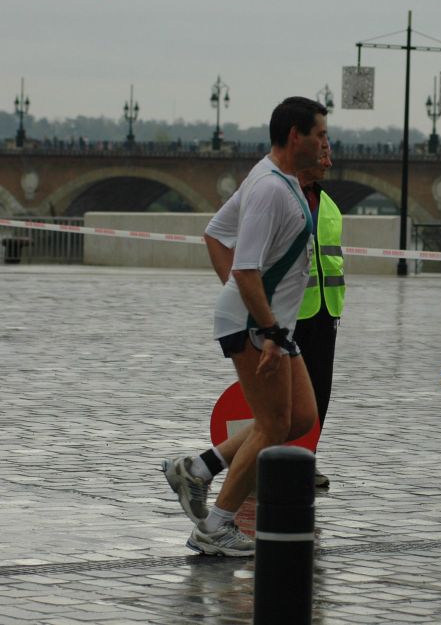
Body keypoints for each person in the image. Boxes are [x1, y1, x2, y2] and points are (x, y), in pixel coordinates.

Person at [162, 96, 328, 556]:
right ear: (296, 136)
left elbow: (215, 233)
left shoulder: (278, 180)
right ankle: (215, 526)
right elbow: (247, 269)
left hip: (265, 322)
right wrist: (264, 326)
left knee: (299, 417)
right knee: (274, 423)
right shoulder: (270, 189)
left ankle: (199, 467)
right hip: (261, 327)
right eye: (320, 134)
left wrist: (242, 303)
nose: (324, 144)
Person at [293, 144, 346, 488]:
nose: (329, 161)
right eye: (322, 153)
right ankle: (272, 460)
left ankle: (306, 458)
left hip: (325, 310)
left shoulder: (329, 205)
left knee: (318, 392)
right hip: (289, 311)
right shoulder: (282, 196)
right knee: (283, 394)